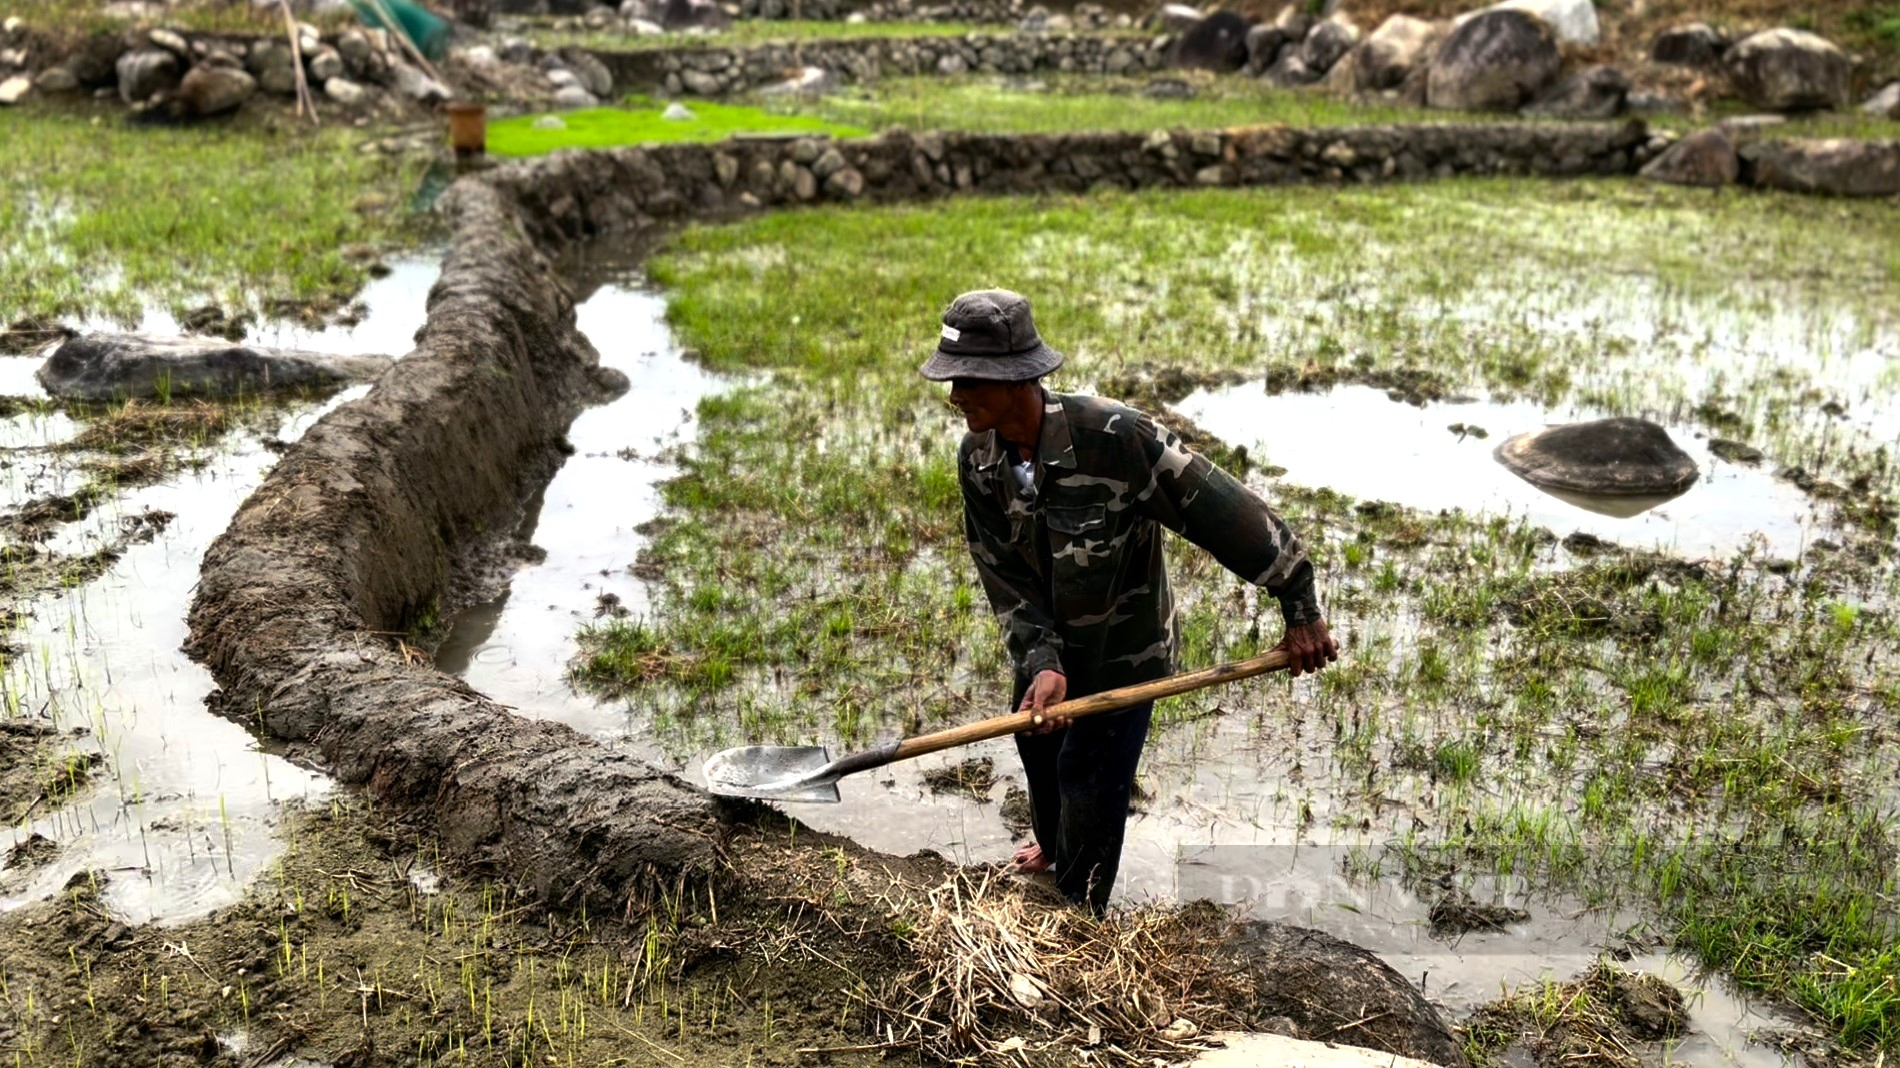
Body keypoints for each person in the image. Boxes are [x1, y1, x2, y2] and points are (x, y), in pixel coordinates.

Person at [920, 289, 1338, 914]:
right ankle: (1057, 848)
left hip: (1125, 653)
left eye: (970, 380)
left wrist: (1299, 605)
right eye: (952, 380)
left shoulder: (1117, 437)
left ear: (1019, 378)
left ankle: (1076, 912)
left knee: (1089, 775)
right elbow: (1003, 572)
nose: (955, 397)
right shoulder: (978, 458)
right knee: (1037, 745)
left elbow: (1226, 514)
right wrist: (1042, 661)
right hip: (1051, 648)